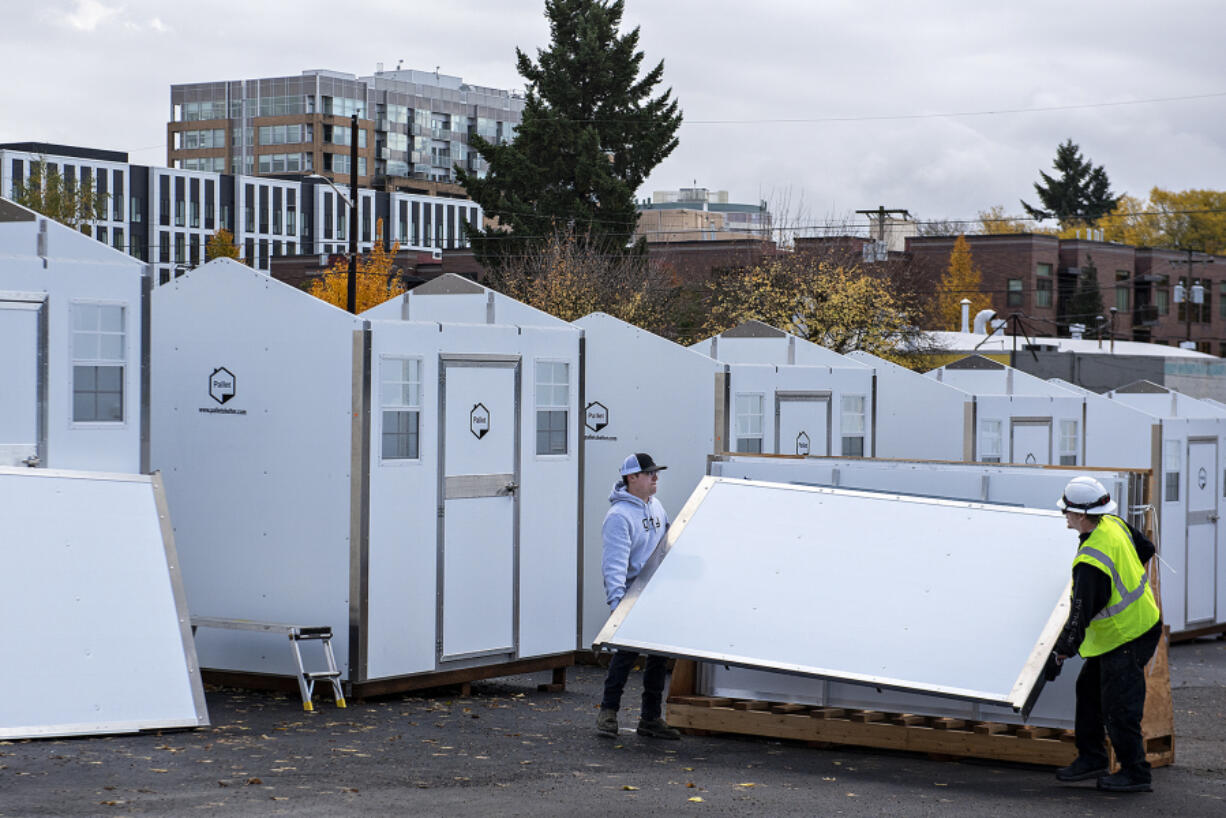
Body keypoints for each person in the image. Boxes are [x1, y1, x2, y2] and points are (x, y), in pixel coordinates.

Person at [1050, 476, 1162, 793]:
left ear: (1082, 515)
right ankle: (1092, 757)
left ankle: (1136, 772)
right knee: (1089, 691)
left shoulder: (1091, 563)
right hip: (1132, 626)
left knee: (1118, 705)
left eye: (1067, 512)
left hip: (1129, 635)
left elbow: (1078, 617)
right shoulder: (1113, 523)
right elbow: (1147, 548)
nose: (1065, 517)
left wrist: (1059, 654)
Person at [595, 452, 680, 740]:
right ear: (632, 478)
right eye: (649, 474)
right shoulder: (619, 517)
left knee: (658, 657)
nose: (655, 478)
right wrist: (617, 606)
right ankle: (607, 712)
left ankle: (650, 718)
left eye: (656, 473)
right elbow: (614, 564)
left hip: (656, 594)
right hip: (633, 595)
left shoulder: (655, 506)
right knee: (625, 656)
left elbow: (666, 544)